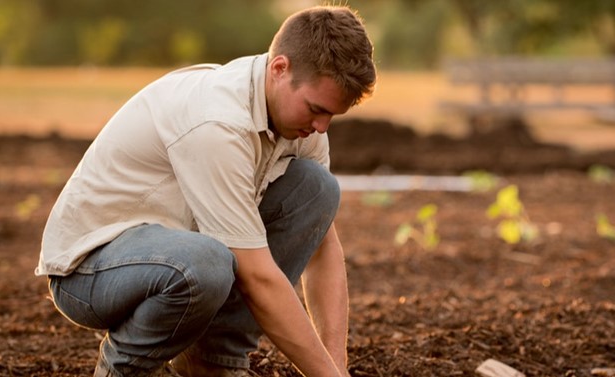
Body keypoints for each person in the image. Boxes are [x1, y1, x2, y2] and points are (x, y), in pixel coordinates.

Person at [35, 5, 375, 377]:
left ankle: (212, 364)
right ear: (280, 69)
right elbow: (258, 277)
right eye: (316, 109)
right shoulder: (218, 123)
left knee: (317, 189)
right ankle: (121, 369)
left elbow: (323, 247)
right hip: (90, 270)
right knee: (207, 264)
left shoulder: (301, 124)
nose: (322, 127)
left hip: (175, 251)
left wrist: (337, 367)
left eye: (331, 116)